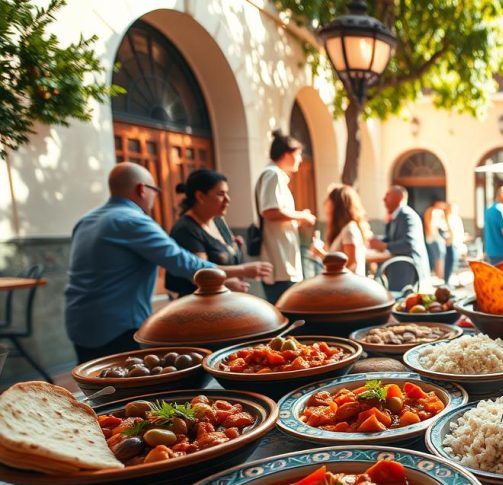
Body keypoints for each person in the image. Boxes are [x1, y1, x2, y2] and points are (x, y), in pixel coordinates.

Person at [65, 163, 221, 363]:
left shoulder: (86, 220)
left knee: (95, 385)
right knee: (126, 388)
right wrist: (235, 273)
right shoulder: (133, 220)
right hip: (118, 328)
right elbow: (183, 262)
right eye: (155, 191)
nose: (155, 198)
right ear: (142, 189)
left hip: (79, 323)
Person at [166, 169, 272, 296]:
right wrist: (239, 274)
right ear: (200, 196)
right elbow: (200, 275)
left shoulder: (218, 220)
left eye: (227, 193)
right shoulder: (185, 229)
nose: (228, 199)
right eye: (221, 194)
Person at [256, 130, 316, 304]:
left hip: (283, 260)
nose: (300, 159)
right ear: (287, 154)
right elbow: (270, 211)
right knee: (286, 310)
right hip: (279, 262)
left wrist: (296, 221)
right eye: (298, 155)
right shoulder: (272, 174)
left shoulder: (274, 175)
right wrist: (301, 216)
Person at [369, 186, 430, 291]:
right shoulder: (396, 215)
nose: (384, 199)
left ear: (399, 198)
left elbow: (409, 243)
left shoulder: (406, 215)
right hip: (399, 271)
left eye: (387, 196)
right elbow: (392, 238)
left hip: (408, 272)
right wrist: (376, 241)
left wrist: (384, 245)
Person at [310, 184, 370, 276]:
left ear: (337, 205)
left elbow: (350, 265)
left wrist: (321, 253)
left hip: (349, 287)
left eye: (328, 200)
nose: (325, 204)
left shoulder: (349, 229)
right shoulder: (344, 229)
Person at [423, 199, 447, 280]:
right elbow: (431, 226)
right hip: (434, 238)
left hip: (436, 238)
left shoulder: (439, 212)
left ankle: (439, 275)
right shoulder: (432, 211)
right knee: (437, 256)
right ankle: (439, 275)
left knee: (438, 256)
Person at [443, 202, 466, 285]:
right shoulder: (447, 218)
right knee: (450, 263)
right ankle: (447, 281)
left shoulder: (456, 218)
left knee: (456, 263)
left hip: (457, 243)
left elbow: (459, 232)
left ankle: (453, 281)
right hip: (451, 244)